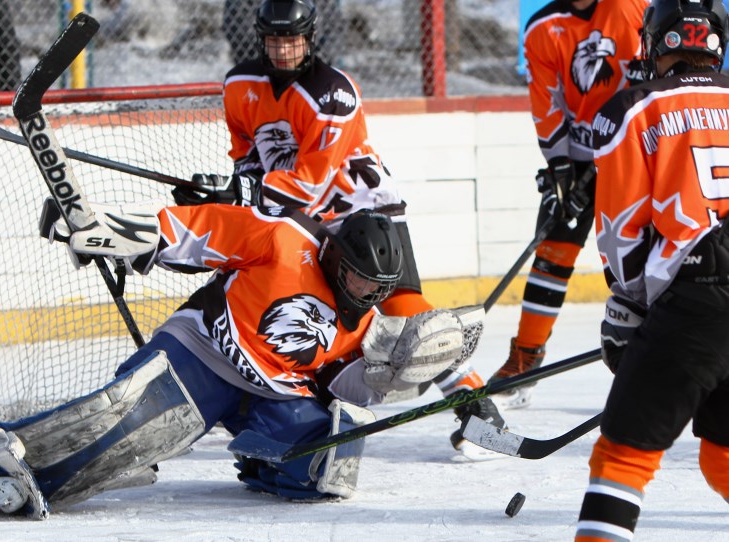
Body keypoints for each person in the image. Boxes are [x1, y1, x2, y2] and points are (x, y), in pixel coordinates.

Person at [0, 200, 482, 519]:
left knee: (330, 466)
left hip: (273, 391)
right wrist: (114, 232)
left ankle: (259, 463)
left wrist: (388, 378)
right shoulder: (285, 239)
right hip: (202, 352)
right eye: (359, 279)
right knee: (126, 424)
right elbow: (201, 229)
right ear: (335, 257)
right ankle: (9, 464)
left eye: (378, 287)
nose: (366, 294)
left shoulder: (366, 318)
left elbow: (338, 386)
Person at [176, 0, 503, 452]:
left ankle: (474, 403)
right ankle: (293, 402)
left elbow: (312, 182)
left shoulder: (334, 92)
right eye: (275, 40)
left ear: (310, 38)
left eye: (292, 39)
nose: (284, 49)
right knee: (283, 304)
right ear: (259, 38)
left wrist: (245, 193)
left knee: (402, 306)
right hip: (303, 218)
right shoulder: (240, 84)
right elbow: (249, 157)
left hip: (360, 208)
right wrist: (226, 191)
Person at [574, 1, 729, 539]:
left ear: (655, 43)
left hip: (695, 299)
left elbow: (622, 232)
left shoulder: (632, 108)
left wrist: (631, 305)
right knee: (723, 455)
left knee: (622, 458)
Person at [487, 0, 648, 410]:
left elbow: (650, 79)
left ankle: (659, 359)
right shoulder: (544, 27)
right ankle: (524, 359)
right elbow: (546, 100)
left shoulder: (633, 8)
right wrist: (560, 166)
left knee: (646, 257)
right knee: (552, 251)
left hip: (634, 150)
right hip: (577, 156)